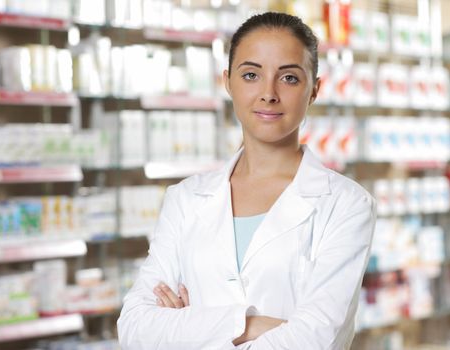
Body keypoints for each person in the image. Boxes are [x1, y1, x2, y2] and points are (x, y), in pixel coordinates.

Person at [117, 11, 376, 350]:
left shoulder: (347, 204)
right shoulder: (186, 198)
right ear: (227, 82)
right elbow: (135, 328)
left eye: (289, 79)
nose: (268, 93)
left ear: (314, 90)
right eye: (251, 74)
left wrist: (186, 328)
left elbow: (315, 340)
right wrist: (251, 324)